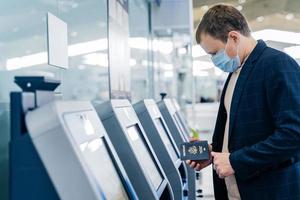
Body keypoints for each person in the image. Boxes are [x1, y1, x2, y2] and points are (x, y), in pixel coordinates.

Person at [188, 4, 300, 200]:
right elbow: (248, 132)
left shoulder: (277, 65)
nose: (214, 60)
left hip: (271, 191)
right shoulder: (237, 72)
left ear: (233, 37)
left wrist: (236, 161)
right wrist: (214, 150)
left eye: (214, 53)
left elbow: (293, 134)